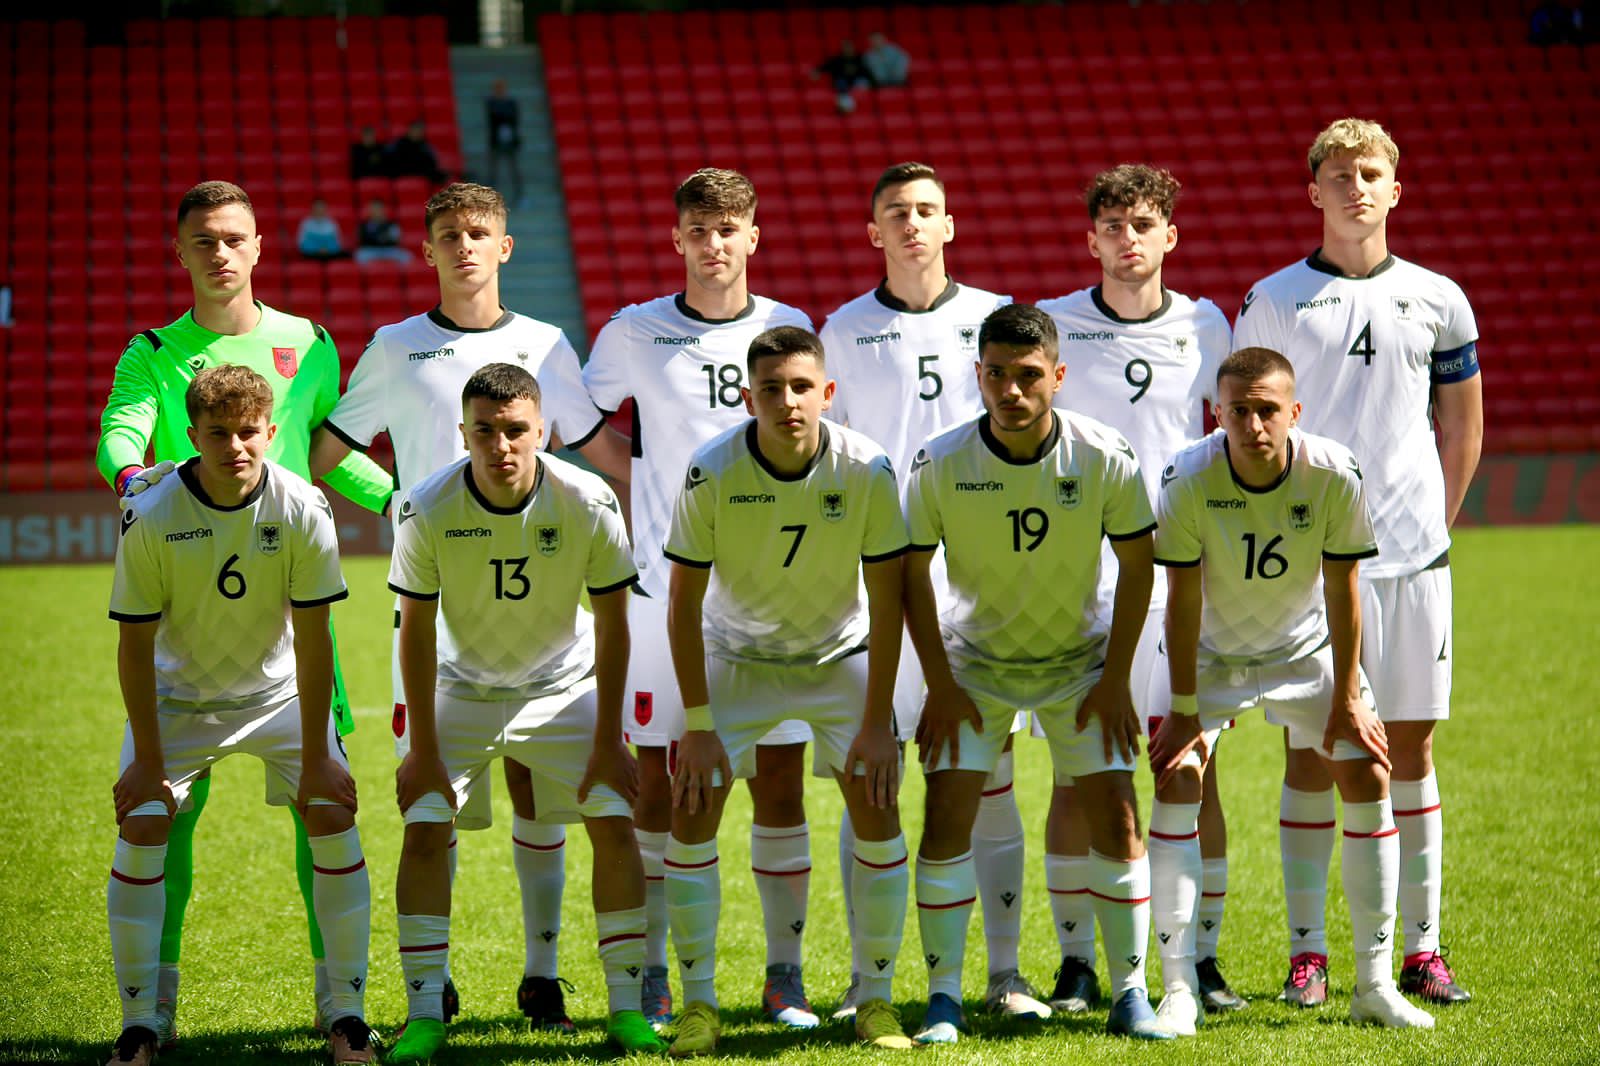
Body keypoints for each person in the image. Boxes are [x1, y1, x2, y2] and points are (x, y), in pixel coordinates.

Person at [310, 180, 633, 1034]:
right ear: (427, 249)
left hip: (539, 619)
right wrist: (397, 502)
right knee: (434, 808)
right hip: (436, 611)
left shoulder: (546, 345)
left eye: (479, 231)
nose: (464, 245)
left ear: (504, 246)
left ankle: (541, 976)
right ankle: (435, 987)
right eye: (448, 233)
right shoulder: (395, 345)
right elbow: (328, 450)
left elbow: (601, 453)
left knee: (542, 797)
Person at [96, 180, 394, 1046]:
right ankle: (154, 1008)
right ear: (181, 254)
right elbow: (125, 429)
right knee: (163, 817)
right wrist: (130, 479)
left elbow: (330, 453)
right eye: (202, 241)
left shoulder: (307, 342)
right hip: (187, 580)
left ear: (260, 245)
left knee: (325, 799)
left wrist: (407, 500)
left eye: (233, 238)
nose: (219, 253)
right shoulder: (155, 348)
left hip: (294, 591)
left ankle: (335, 1001)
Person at [1234, 117, 1481, 1008]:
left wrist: (1433, 524)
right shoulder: (1274, 299)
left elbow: (1461, 423)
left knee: (1409, 747)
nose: (1354, 188)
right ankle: (1311, 954)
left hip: (1413, 560)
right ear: (1314, 191)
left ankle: (1422, 949)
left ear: (1395, 188)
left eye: (1369, 173)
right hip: (1309, 566)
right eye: (1337, 175)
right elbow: (1250, 431)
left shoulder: (1439, 296)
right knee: (1310, 752)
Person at [581, 168, 816, 1031]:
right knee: (661, 782)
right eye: (698, 230)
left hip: (771, 596)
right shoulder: (632, 332)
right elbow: (582, 426)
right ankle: (655, 974)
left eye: (729, 229)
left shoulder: (791, 334)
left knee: (781, 782)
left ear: (753, 236)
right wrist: (647, 486)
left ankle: (783, 976)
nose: (714, 244)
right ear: (677, 240)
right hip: (662, 592)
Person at [900, 303, 1168, 1043]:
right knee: (948, 817)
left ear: (1058, 376)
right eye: (995, 375)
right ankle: (946, 999)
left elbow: (1140, 566)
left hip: (1081, 666)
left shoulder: (1104, 454)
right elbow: (911, 574)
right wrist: (942, 684)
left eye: (1026, 376)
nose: (1010, 391)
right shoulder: (941, 459)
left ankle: (1131, 994)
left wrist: (1116, 681)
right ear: (977, 376)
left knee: (1116, 812)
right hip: (976, 668)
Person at [1148, 346, 1435, 1032]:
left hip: (1304, 650)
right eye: (1238, 411)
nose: (1252, 425)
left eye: (1267, 410)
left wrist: (1347, 699)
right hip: (1209, 656)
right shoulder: (1186, 477)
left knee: (1367, 768)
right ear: (1217, 414)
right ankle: (1178, 990)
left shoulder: (1333, 473)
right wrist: (1185, 711)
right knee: (1176, 779)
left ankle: (1371, 986)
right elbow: (1181, 598)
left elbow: (1344, 587)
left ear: (1293, 412)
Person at [384, 362, 664, 1061]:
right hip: (463, 689)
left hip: (563, 687)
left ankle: (626, 1010)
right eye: (484, 432)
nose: (501, 446)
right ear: (463, 434)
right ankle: (424, 1013)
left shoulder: (587, 500)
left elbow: (613, 625)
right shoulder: (426, 504)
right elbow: (414, 629)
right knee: (423, 826)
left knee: (612, 818)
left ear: (544, 431)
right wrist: (421, 746)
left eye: (515, 431)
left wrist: (609, 740)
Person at [105, 365, 373, 1066]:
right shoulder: (151, 512)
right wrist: (150, 765)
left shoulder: (304, 507)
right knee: (143, 819)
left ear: (271, 432)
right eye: (218, 433)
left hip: (276, 697)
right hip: (177, 700)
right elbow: (132, 647)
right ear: (190, 435)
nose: (235, 447)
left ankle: (345, 1012)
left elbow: (315, 643)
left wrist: (318, 755)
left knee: (332, 812)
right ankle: (141, 1022)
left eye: (249, 432)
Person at [819, 162, 1036, 1021]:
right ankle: (868, 982)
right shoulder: (838, 330)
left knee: (990, 777)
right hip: (871, 581)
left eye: (928, 211)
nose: (913, 224)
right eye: (896, 213)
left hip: (976, 585)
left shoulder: (996, 321)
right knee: (867, 778)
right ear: (874, 232)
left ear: (951, 225)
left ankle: (1005, 973)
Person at [662, 325, 914, 1055]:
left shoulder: (866, 468)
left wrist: (877, 722)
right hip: (738, 659)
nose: (787, 401)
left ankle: (874, 1000)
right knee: (694, 807)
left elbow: (889, 598)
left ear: (827, 393)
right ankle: (700, 1005)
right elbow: (681, 606)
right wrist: (701, 724)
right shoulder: (711, 470)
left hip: (839, 658)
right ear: (748, 398)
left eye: (801, 386)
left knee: (876, 801)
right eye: (770, 389)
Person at [1035, 165, 1245, 1017]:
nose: (1129, 238)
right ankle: (1079, 962)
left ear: (1171, 237)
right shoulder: (1056, 326)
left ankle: (1200, 958)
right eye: (1113, 224)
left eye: (1144, 223)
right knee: (1077, 776)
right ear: (1091, 240)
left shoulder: (1206, 324)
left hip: (1179, 579)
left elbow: (1229, 440)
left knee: (1197, 769)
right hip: (1080, 582)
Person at [484, 80, 524, 207]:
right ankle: (491, 198)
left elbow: (514, 119)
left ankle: (519, 195)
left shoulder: (511, 102)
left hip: (510, 140)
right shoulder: (491, 103)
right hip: (496, 140)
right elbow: (494, 118)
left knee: (514, 169)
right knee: (494, 169)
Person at [811, 40, 874, 113]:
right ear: (842, 49)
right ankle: (846, 107)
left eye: (850, 48)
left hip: (856, 83)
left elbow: (867, 72)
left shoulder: (859, 59)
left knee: (864, 82)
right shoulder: (837, 59)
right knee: (841, 84)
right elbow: (824, 67)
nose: (848, 50)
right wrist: (817, 71)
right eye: (846, 48)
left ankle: (860, 105)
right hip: (842, 85)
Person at [388, 119, 447, 184]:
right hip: (401, 172)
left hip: (419, 173)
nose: (416, 133)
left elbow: (431, 163)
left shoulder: (425, 147)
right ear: (409, 130)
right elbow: (391, 159)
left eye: (419, 131)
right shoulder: (399, 144)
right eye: (415, 130)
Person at [356, 199, 411, 265]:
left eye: (378, 209)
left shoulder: (391, 224)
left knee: (406, 256)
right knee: (360, 255)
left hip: (389, 250)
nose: (376, 211)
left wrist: (381, 238)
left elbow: (396, 240)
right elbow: (361, 240)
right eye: (373, 209)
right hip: (371, 250)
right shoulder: (364, 225)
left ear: (383, 210)